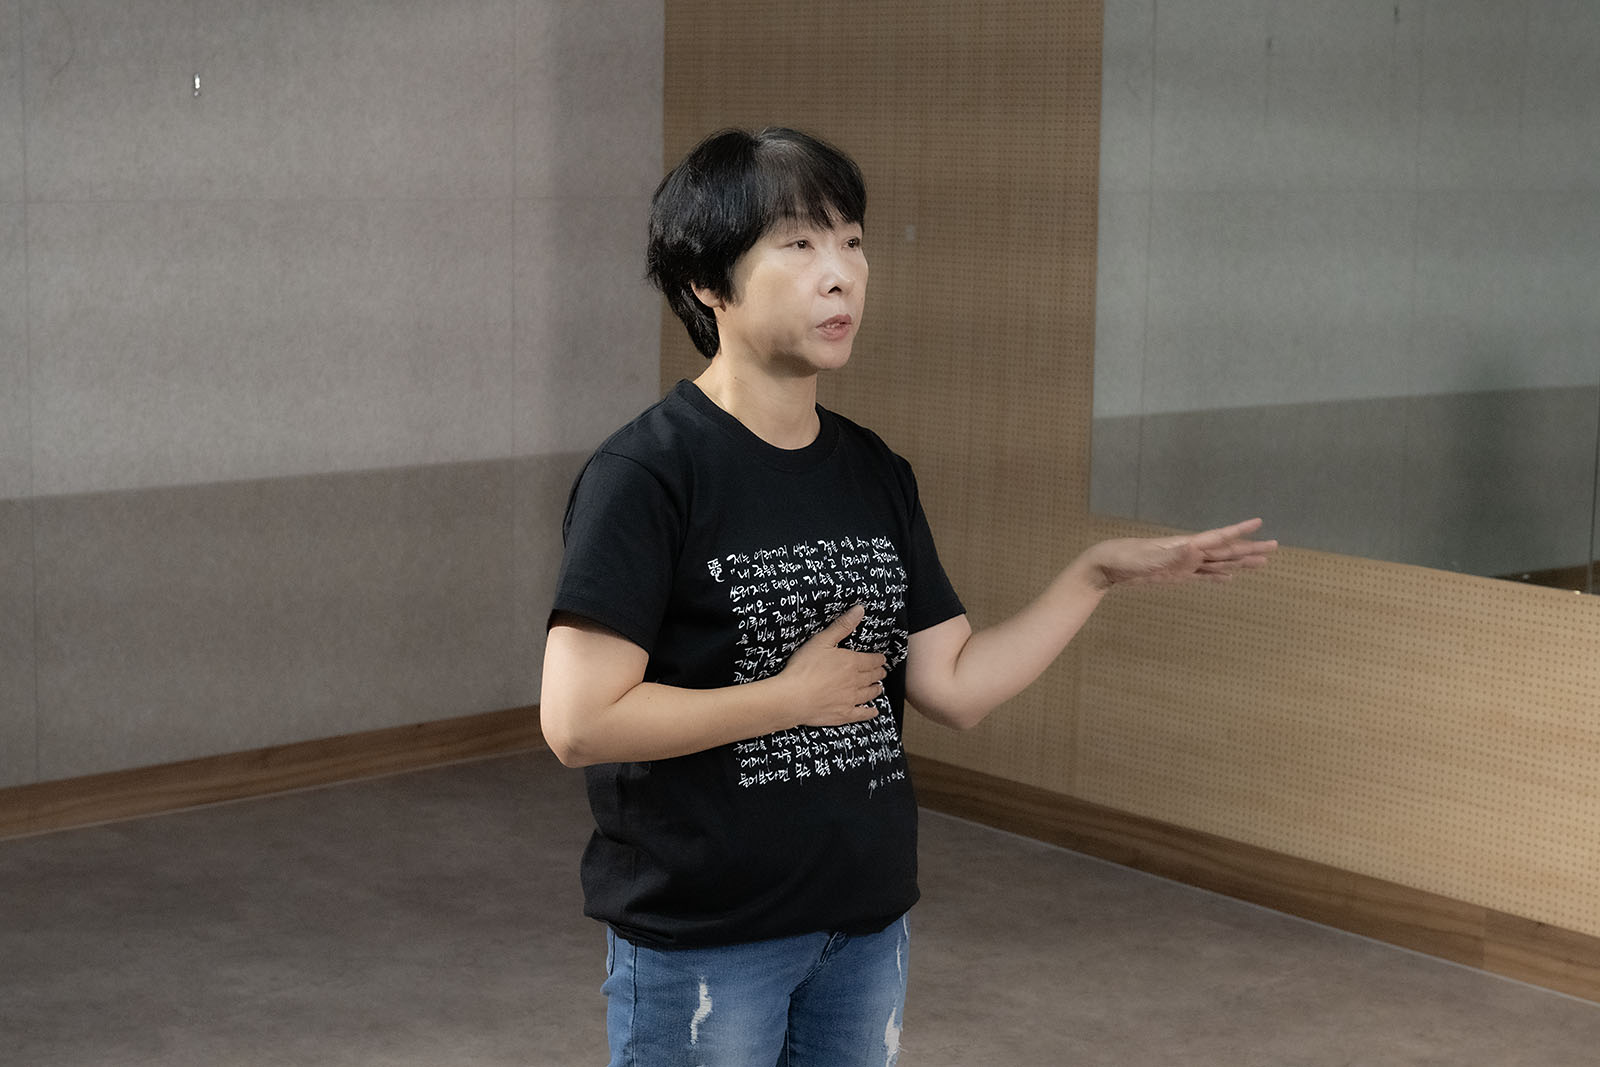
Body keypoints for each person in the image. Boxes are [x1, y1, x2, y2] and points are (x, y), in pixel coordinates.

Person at [540, 126, 1276, 1067]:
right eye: (798, 244)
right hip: (708, 940)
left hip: (863, 924)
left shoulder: (873, 470)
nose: (841, 274)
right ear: (706, 283)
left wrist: (1092, 575)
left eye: (852, 241)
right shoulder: (646, 475)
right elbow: (578, 721)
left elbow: (953, 685)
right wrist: (785, 700)